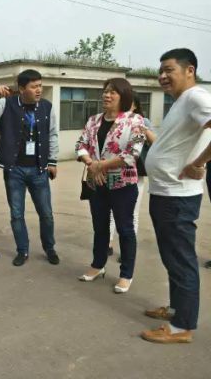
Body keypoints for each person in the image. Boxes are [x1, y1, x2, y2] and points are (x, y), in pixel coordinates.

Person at [141, 48, 211, 344]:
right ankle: (175, 308)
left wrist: (199, 163)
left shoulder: (196, 97)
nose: (162, 76)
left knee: (181, 260)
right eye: (161, 71)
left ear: (189, 70)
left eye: (169, 70)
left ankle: (182, 328)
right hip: (165, 192)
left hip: (177, 196)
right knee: (172, 258)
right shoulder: (182, 101)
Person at [0, 69, 60, 266]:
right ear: (22, 89)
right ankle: (22, 250)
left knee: (46, 214)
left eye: (40, 85)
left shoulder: (47, 107)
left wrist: (52, 161)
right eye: (34, 87)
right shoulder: (6, 103)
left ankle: (49, 248)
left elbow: (52, 135)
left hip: (39, 169)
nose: (39, 90)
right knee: (17, 214)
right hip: (14, 169)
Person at [75, 78, 146, 293]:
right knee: (100, 227)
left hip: (122, 183)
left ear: (124, 96)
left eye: (113, 92)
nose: (107, 95)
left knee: (125, 228)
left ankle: (126, 274)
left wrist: (100, 165)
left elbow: (132, 154)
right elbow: (81, 144)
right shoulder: (93, 120)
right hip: (96, 182)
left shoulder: (135, 120)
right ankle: (98, 265)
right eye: (105, 91)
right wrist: (91, 164)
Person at [108, 92, 157, 262]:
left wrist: (143, 128)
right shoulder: (114, 119)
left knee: (131, 213)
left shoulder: (143, 121)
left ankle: (127, 250)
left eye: (130, 103)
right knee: (112, 211)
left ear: (135, 105)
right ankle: (108, 244)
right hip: (115, 169)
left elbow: (155, 142)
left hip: (136, 171)